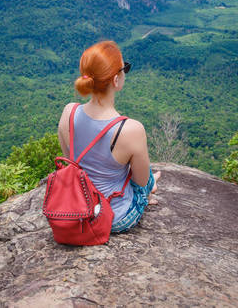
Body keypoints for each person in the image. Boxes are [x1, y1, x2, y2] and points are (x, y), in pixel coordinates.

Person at [57, 40, 161, 233]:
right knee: (144, 179)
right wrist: (146, 186)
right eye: (124, 68)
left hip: (77, 209)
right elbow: (139, 183)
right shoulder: (130, 129)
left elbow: (73, 163)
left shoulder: (68, 113)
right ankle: (152, 185)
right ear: (115, 80)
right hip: (113, 218)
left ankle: (152, 181)